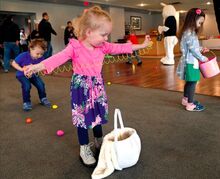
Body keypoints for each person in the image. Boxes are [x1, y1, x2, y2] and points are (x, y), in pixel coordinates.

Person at [24, 6, 151, 166]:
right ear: (89, 32)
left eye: (107, 35)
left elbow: (120, 48)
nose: (106, 38)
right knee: (82, 119)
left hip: (97, 85)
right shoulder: (75, 47)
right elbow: (57, 58)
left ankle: (99, 142)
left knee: (97, 115)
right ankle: (84, 148)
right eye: (103, 34)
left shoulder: (103, 46)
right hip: (81, 88)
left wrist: (141, 46)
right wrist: (36, 67)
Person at [176, 8, 209, 112]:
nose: (200, 25)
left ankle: (186, 99)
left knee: (189, 82)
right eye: (199, 22)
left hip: (188, 61)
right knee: (192, 83)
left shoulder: (187, 32)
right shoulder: (190, 33)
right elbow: (193, 50)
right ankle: (190, 104)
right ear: (192, 20)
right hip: (191, 62)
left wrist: (201, 49)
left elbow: (192, 47)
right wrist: (203, 58)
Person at [11, 39, 51, 111]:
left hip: (33, 74)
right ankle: (26, 102)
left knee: (41, 84)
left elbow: (41, 66)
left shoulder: (41, 58)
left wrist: (41, 70)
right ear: (31, 49)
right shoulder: (23, 55)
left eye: (41, 54)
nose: (39, 56)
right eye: (37, 53)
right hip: (21, 75)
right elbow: (13, 63)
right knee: (27, 86)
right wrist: (22, 69)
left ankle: (43, 98)